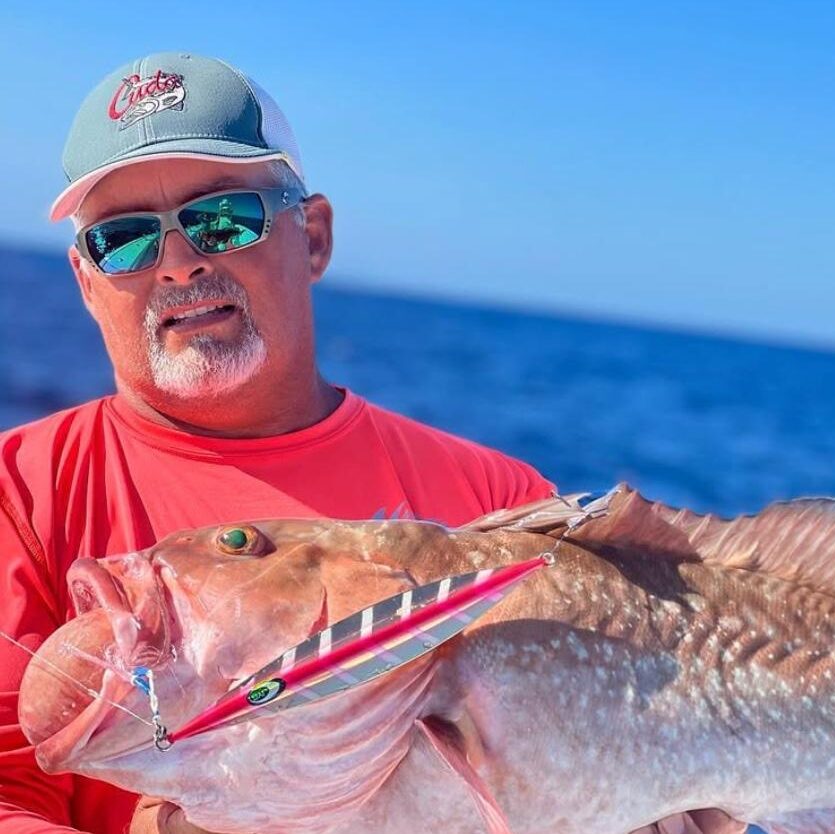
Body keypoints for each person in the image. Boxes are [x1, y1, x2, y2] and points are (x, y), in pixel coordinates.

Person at [0, 53, 732, 834]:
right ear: (85, 281)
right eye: (124, 240)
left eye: (223, 218)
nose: (179, 262)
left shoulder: (503, 508)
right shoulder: (19, 494)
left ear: (312, 237)